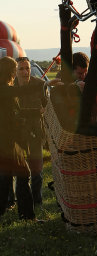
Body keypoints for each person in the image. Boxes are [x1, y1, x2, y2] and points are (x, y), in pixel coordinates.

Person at [0, 57, 44, 221]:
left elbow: (17, 113)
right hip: (7, 143)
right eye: (15, 70)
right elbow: (19, 91)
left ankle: (11, 213)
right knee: (22, 174)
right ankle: (27, 216)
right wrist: (43, 85)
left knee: (5, 178)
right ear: (10, 72)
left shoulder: (5, 90)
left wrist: (35, 112)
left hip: (8, 143)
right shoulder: (3, 90)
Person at [14, 57, 48, 205]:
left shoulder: (40, 84)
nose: (25, 72)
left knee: (37, 171)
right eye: (21, 69)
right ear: (15, 72)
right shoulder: (10, 87)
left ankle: (37, 202)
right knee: (15, 171)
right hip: (16, 134)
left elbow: (47, 107)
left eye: (27, 68)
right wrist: (36, 111)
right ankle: (13, 201)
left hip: (36, 132)